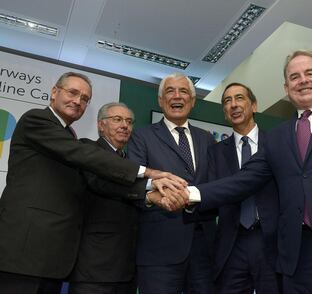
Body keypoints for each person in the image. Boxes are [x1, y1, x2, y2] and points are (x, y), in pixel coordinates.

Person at [156, 50, 312, 294]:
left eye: (309, 73)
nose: (302, 80)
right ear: (286, 88)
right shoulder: (277, 138)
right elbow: (243, 181)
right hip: (297, 263)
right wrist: (189, 194)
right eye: (294, 77)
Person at [0, 72, 183, 294]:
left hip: (53, 258)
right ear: (54, 93)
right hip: (25, 252)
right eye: (73, 93)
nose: (78, 101)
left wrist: (149, 191)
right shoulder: (37, 119)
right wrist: (148, 173)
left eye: (85, 98)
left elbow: (101, 183)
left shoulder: (69, 136)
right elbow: (84, 157)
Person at [127, 72, 216, 294]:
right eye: (170, 91)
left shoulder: (206, 138)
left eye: (184, 91)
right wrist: (157, 197)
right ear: (160, 100)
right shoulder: (142, 136)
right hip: (159, 250)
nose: (177, 96)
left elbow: (216, 184)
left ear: (192, 101)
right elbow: (132, 183)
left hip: (204, 249)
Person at [208, 83, 280, 293]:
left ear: (254, 105)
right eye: (227, 101)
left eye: (239, 98)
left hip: (271, 242)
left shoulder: (277, 144)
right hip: (232, 243)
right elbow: (213, 193)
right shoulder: (215, 152)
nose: (233, 105)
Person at [68, 102, 147, 294]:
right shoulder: (88, 148)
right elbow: (100, 182)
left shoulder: (132, 163)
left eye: (129, 121)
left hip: (127, 269)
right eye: (117, 119)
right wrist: (149, 190)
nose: (124, 125)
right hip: (94, 268)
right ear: (101, 125)